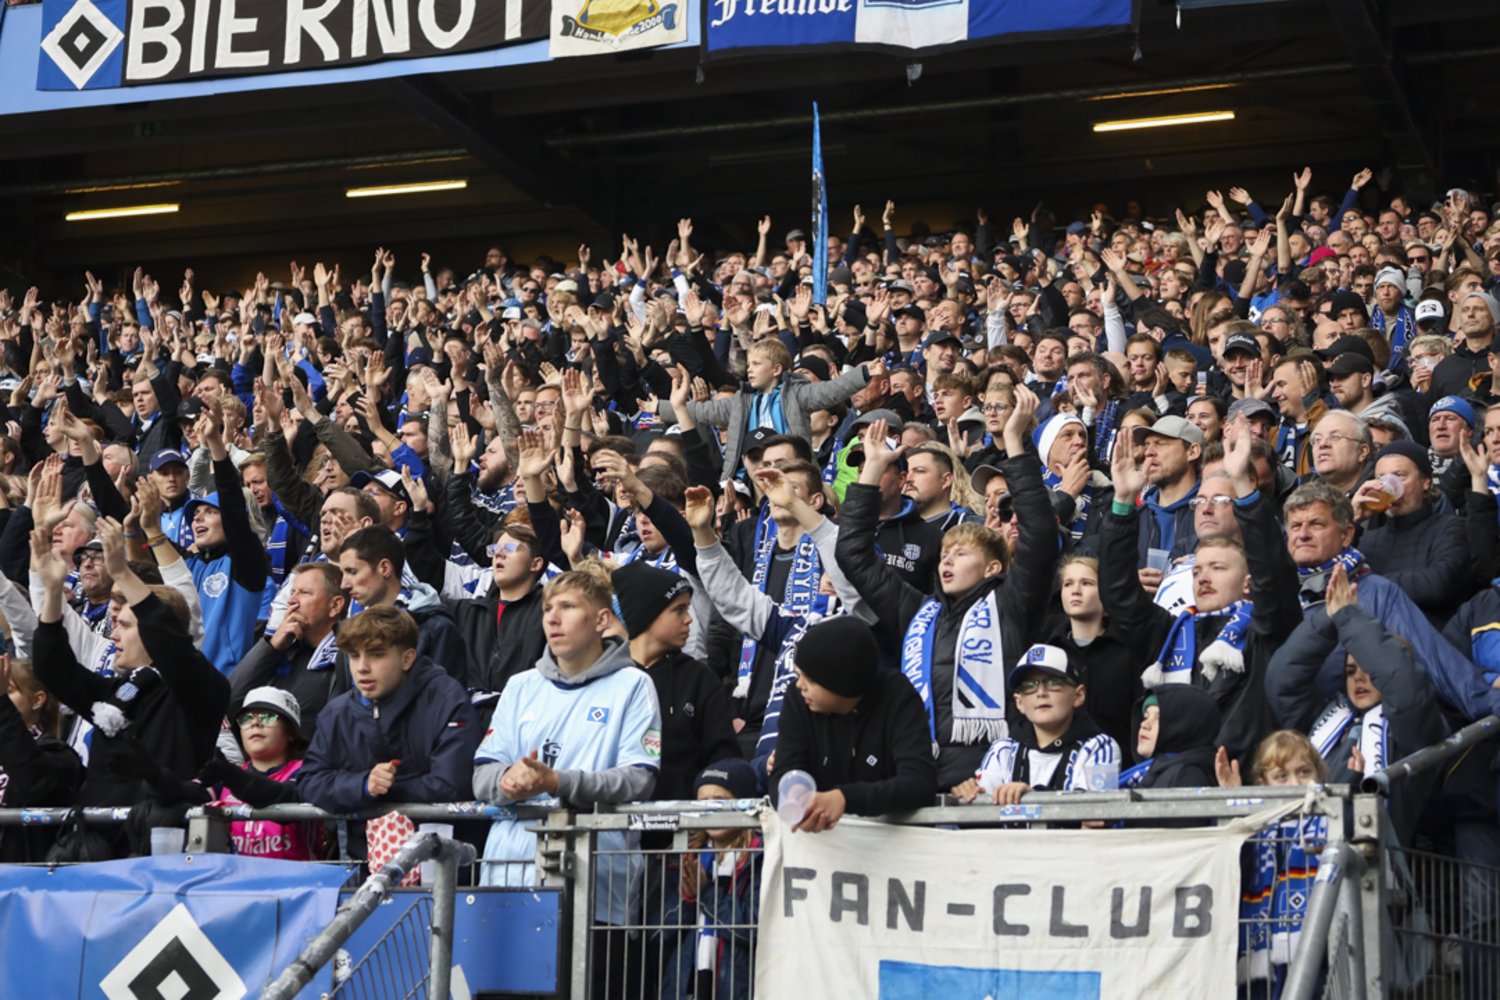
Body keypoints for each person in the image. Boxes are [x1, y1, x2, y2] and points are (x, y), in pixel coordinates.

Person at [835, 389, 1058, 792]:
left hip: (994, 773)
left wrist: (1013, 444)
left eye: (961, 553)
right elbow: (853, 555)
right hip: (918, 766)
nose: (947, 561)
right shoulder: (918, 612)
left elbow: (1040, 534)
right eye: (945, 554)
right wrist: (871, 471)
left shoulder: (1013, 602)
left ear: (993, 566)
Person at [473, 569, 660, 998]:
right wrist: (509, 781)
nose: (552, 619)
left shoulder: (634, 685)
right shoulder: (520, 686)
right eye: (547, 609)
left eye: (568, 607)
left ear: (600, 620)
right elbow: (481, 773)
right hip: (509, 880)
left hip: (595, 890)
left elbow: (639, 778)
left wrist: (557, 782)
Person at [31, 518, 226, 854]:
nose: (114, 634)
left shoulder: (198, 689)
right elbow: (54, 669)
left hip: (158, 854)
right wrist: (51, 592)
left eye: (124, 625)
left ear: (153, 631)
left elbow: (169, 638)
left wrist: (122, 572)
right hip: (98, 850)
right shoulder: (117, 694)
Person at [1265, 563, 1446, 845]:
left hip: (1371, 871)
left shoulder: (1413, 729)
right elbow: (1283, 679)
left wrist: (1350, 618)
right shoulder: (1325, 715)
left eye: (1370, 672)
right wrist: (1329, 619)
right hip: (1303, 858)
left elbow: (1403, 687)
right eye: (1350, 671)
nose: (1359, 679)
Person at [298, 606, 481, 823]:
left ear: (407, 659)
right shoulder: (336, 713)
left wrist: (385, 788)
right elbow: (309, 782)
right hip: (363, 854)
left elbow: (453, 785)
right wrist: (364, 784)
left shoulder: (447, 699)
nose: (362, 668)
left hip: (442, 848)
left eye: (376, 654)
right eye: (354, 656)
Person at [768, 617, 937, 830]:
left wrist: (844, 799)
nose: (800, 685)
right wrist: (794, 793)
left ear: (839, 682)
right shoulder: (797, 699)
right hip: (820, 850)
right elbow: (784, 770)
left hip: (892, 844)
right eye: (798, 676)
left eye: (810, 679)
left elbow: (919, 782)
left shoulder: (897, 696)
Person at [610, 560, 740, 803]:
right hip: (612, 830)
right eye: (679, 610)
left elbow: (723, 758)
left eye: (688, 608)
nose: (689, 619)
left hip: (682, 830)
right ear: (647, 613)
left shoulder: (700, 679)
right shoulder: (607, 676)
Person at [953, 644, 1120, 803]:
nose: (1041, 692)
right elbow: (981, 811)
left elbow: (1097, 815)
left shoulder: (1100, 746)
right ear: (1019, 702)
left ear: (1078, 695)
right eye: (1029, 685)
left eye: (1054, 682)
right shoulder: (1002, 750)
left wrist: (1034, 798)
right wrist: (969, 794)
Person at [658, 759, 763, 1000]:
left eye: (721, 800)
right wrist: (687, 898)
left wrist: (706, 892)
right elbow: (662, 933)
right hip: (685, 987)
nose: (711, 808)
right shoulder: (684, 858)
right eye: (703, 801)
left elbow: (753, 928)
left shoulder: (759, 858)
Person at [202, 686, 326, 861]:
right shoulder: (224, 775)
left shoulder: (308, 772)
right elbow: (188, 793)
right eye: (246, 718)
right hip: (236, 884)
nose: (255, 723)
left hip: (296, 885)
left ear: (290, 733)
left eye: (267, 716)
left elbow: (278, 795)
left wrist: (231, 776)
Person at [228, 562, 348, 743]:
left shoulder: (346, 658)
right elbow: (230, 701)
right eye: (292, 592)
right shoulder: (280, 651)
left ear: (335, 606)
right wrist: (271, 647)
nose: (292, 601)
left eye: (305, 593)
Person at [335, 526, 466, 680]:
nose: (344, 585)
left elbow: (446, 698)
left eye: (352, 572)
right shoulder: (351, 632)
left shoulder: (436, 629)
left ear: (384, 568)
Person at [0, 652, 83, 862]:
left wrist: (2, 706)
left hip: (26, 886)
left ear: (37, 700)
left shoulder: (58, 755)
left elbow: (31, 778)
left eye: (6, 691)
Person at [1120, 685, 1223, 789]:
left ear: (1184, 726)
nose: (1144, 724)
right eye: (1146, 716)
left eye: (1158, 718)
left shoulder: (1187, 774)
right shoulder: (1158, 770)